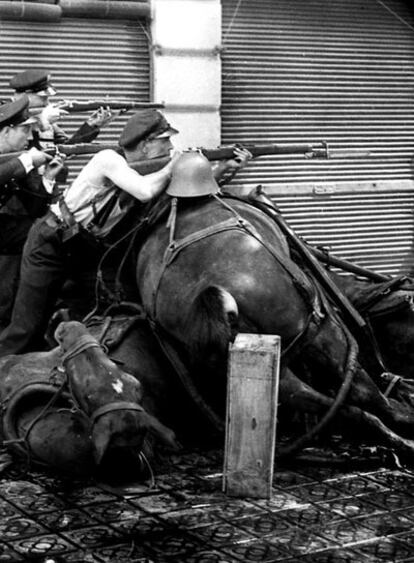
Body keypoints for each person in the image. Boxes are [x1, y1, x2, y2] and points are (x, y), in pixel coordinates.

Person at [0, 109, 251, 356]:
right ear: (146, 145)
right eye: (165, 141)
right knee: (26, 328)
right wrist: (173, 166)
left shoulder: (145, 171)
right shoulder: (108, 159)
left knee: (110, 308)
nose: (170, 147)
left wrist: (224, 167)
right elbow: (144, 191)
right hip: (50, 241)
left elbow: (177, 195)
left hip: (84, 248)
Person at [0, 96, 65, 325]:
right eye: (23, 130)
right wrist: (26, 162)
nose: (29, 137)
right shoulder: (20, 160)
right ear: (6, 131)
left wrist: (47, 177)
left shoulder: (21, 157)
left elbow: (34, 209)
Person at [9, 69, 112, 149]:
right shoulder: (4, 116)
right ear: (25, 95)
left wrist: (91, 125)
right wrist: (43, 121)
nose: (47, 103)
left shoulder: (44, 119)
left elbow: (67, 149)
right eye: (43, 98)